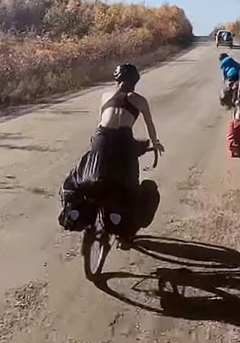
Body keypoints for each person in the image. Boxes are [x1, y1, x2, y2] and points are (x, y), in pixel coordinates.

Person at [58, 64, 163, 247]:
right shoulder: (139, 100)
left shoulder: (105, 96)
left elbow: (102, 122)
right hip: (123, 143)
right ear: (135, 81)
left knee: (80, 177)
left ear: (117, 80)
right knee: (131, 188)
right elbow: (149, 124)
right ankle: (125, 235)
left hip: (100, 140)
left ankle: (76, 210)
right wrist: (155, 143)